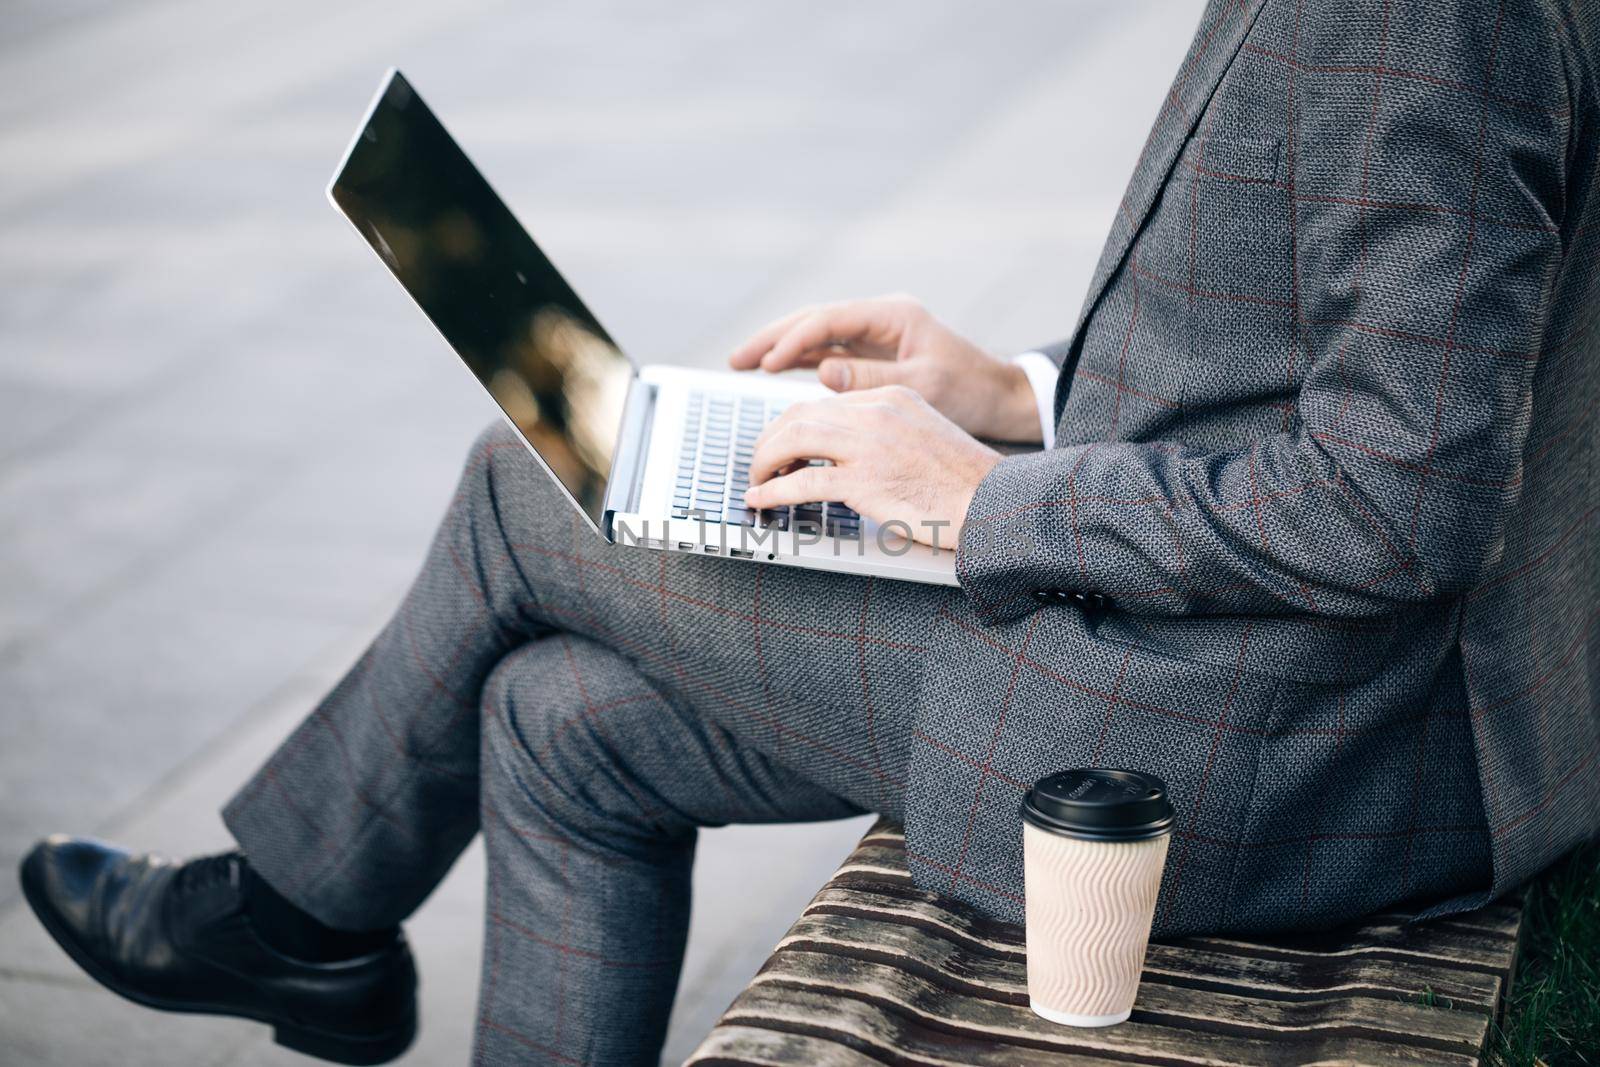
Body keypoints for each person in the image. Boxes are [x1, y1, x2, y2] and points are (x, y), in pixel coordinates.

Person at [19, 0, 1599, 1064]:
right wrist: (1004, 389)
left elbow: (1399, 502)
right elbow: (1314, 369)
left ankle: (297, 920)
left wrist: (980, 498)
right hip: (1257, 692)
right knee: (559, 724)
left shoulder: (1427, 17)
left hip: (1277, 752)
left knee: (525, 489)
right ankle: (309, 929)